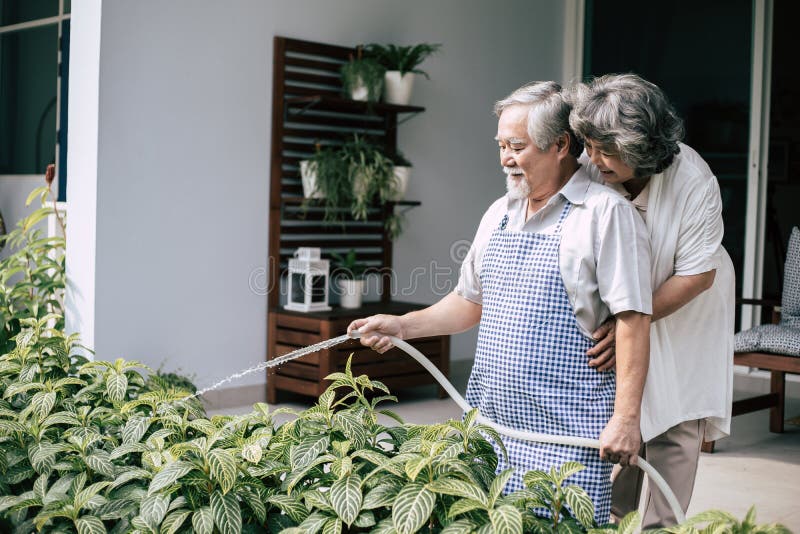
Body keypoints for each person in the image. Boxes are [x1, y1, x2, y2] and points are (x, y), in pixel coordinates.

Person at [348, 81, 653, 524]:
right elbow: (468, 301)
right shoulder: (499, 213)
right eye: (501, 145)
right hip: (491, 429)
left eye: (517, 146)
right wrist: (403, 326)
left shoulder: (606, 215)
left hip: (566, 440)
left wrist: (626, 419)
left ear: (561, 145)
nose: (505, 158)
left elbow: (633, 320)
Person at [568, 73, 735, 528]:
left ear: (643, 147)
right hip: (625, 308)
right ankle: (613, 519)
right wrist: (621, 322)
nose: (592, 159)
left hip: (686, 305)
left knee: (676, 420)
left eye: (607, 150)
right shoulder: (591, 166)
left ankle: (661, 525)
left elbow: (698, 275)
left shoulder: (694, 180)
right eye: (588, 145)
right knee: (624, 412)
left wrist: (630, 321)